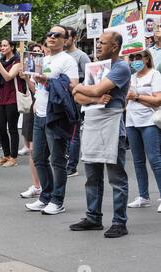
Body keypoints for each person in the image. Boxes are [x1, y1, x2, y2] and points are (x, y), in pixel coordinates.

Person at [70, 31, 131, 238]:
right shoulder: (94, 67)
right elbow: (79, 97)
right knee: (92, 175)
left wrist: (80, 87)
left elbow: (93, 90)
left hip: (112, 123)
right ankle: (93, 217)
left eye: (102, 43)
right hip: (93, 120)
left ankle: (119, 222)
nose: (98, 46)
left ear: (114, 47)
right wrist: (92, 97)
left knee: (116, 177)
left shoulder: (121, 67)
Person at [24, 25, 79, 215]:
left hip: (56, 115)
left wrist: (46, 81)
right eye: (49, 34)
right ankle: (46, 196)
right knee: (38, 157)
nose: (52, 37)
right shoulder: (43, 59)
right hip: (39, 113)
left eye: (57, 35)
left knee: (57, 160)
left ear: (66, 40)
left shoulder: (68, 60)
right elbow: (37, 88)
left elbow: (73, 87)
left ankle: (58, 200)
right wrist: (28, 79)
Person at [125, 50, 161, 212]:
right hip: (132, 122)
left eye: (138, 57)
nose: (135, 61)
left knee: (155, 160)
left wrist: (137, 96)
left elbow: (158, 99)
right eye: (132, 58)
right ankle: (143, 196)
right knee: (138, 161)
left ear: (147, 58)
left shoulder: (155, 75)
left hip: (149, 121)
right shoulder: (131, 77)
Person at [0, 39, 23, 168]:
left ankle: (14, 157)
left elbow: (8, 76)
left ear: (12, 47)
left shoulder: (17, 61)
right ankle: (6, 154)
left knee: (13, 128)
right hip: (1, 98)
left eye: (5, 45)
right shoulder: (2, 61)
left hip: (12, 98)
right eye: (1, 45)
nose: (2, 48)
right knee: (1, 128)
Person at [65, 26, 92, 178]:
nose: (64, 39)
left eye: (67, 36)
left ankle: (72, 166)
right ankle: (65, 159)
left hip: (75, 98)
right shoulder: (60, 55)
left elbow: (89, 77)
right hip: (61, 98)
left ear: (74, 38)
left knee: (74, 133)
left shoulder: (81, 56)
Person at [19, 43, 43, 199]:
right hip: (32, 108)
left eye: (39, 52)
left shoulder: (47, 68)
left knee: (41, 152)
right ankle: (37, 185)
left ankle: (44, 185)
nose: (36, 55)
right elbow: (33, 90)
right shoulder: (30, 70)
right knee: (31, 150)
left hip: (44, 110)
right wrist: (27, 78)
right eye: (33, 53)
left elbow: (38, 91)